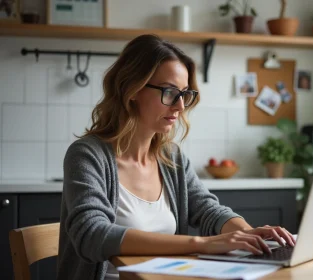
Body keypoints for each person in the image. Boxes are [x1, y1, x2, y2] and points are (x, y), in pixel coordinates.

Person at [57, 34, 295, 280]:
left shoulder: (171, 158)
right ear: (133, 89)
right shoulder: (87, 155)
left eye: (184, 94)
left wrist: (248, 234)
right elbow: (91, 234)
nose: (180, 106)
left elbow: (208, 209)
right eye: (170, 92)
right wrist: (200, 243)